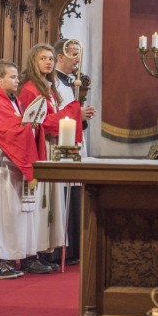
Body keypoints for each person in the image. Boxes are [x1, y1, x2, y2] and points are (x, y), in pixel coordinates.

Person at [0, 60, 46, 279]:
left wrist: (31, 127)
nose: (17, 80)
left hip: (15, 166)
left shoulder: (15, 102)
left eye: (17, 76)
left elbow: (18, 128)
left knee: (17, 214)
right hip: (0, 167)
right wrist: (11, 147)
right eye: (12, 77)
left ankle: (19, 255)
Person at [18, 43, 83, 274]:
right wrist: (71, 112)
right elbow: (39, 121)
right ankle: (31, 254)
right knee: (39, 205)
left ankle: (44, 251)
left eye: (50, 59)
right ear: (33, 62)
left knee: (51, 203)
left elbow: (51, 117)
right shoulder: (29, 89)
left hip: (52, 145)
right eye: (43, 59)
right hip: (39, 147)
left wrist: (66, 115)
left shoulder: (48, 88)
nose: (48, 62)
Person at [53, 38, 96, 265]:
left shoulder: (70, 82)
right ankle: (62, 248)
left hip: (73, 140)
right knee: (63, 191)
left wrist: (83, 116)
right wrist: (78, 115)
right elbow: (54, 114)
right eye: (73, 54)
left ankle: (74, 249)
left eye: (78, 54)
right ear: (60, 56)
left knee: (75, 189)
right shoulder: (53, 84)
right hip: (59, 144)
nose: (77, 59)